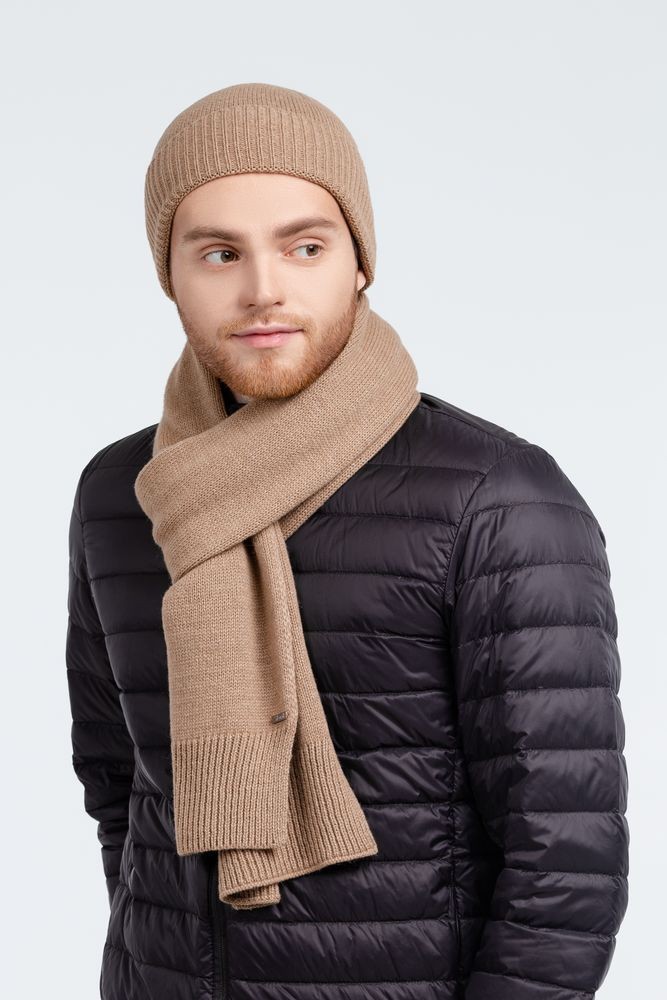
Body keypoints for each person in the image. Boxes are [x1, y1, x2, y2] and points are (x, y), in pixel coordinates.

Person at [65, 82, 629, 1000]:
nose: (263, 289)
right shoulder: (122, 494)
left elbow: (564, 863)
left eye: (305, 246)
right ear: (170, 274)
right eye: (219, 253)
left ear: (359, 261)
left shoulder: (495, 497)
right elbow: (119, 787)